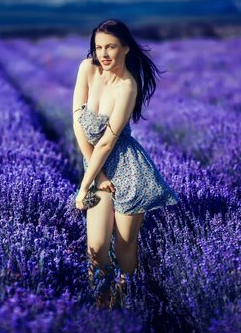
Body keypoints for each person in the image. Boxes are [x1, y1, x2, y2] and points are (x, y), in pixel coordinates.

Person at [71, 19, 179, 309]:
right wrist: (96, 177)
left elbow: (107, 142)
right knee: (96, 248)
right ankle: (102, 304)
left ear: (126, 48)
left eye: (111, 47)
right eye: (99, 47)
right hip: (98, 168)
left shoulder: (127, 87)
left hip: (129, 171)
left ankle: (124, 301)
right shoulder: (87, 68)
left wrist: (83, 187)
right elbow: (78, 123)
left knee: (124, 246)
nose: (103, 53)